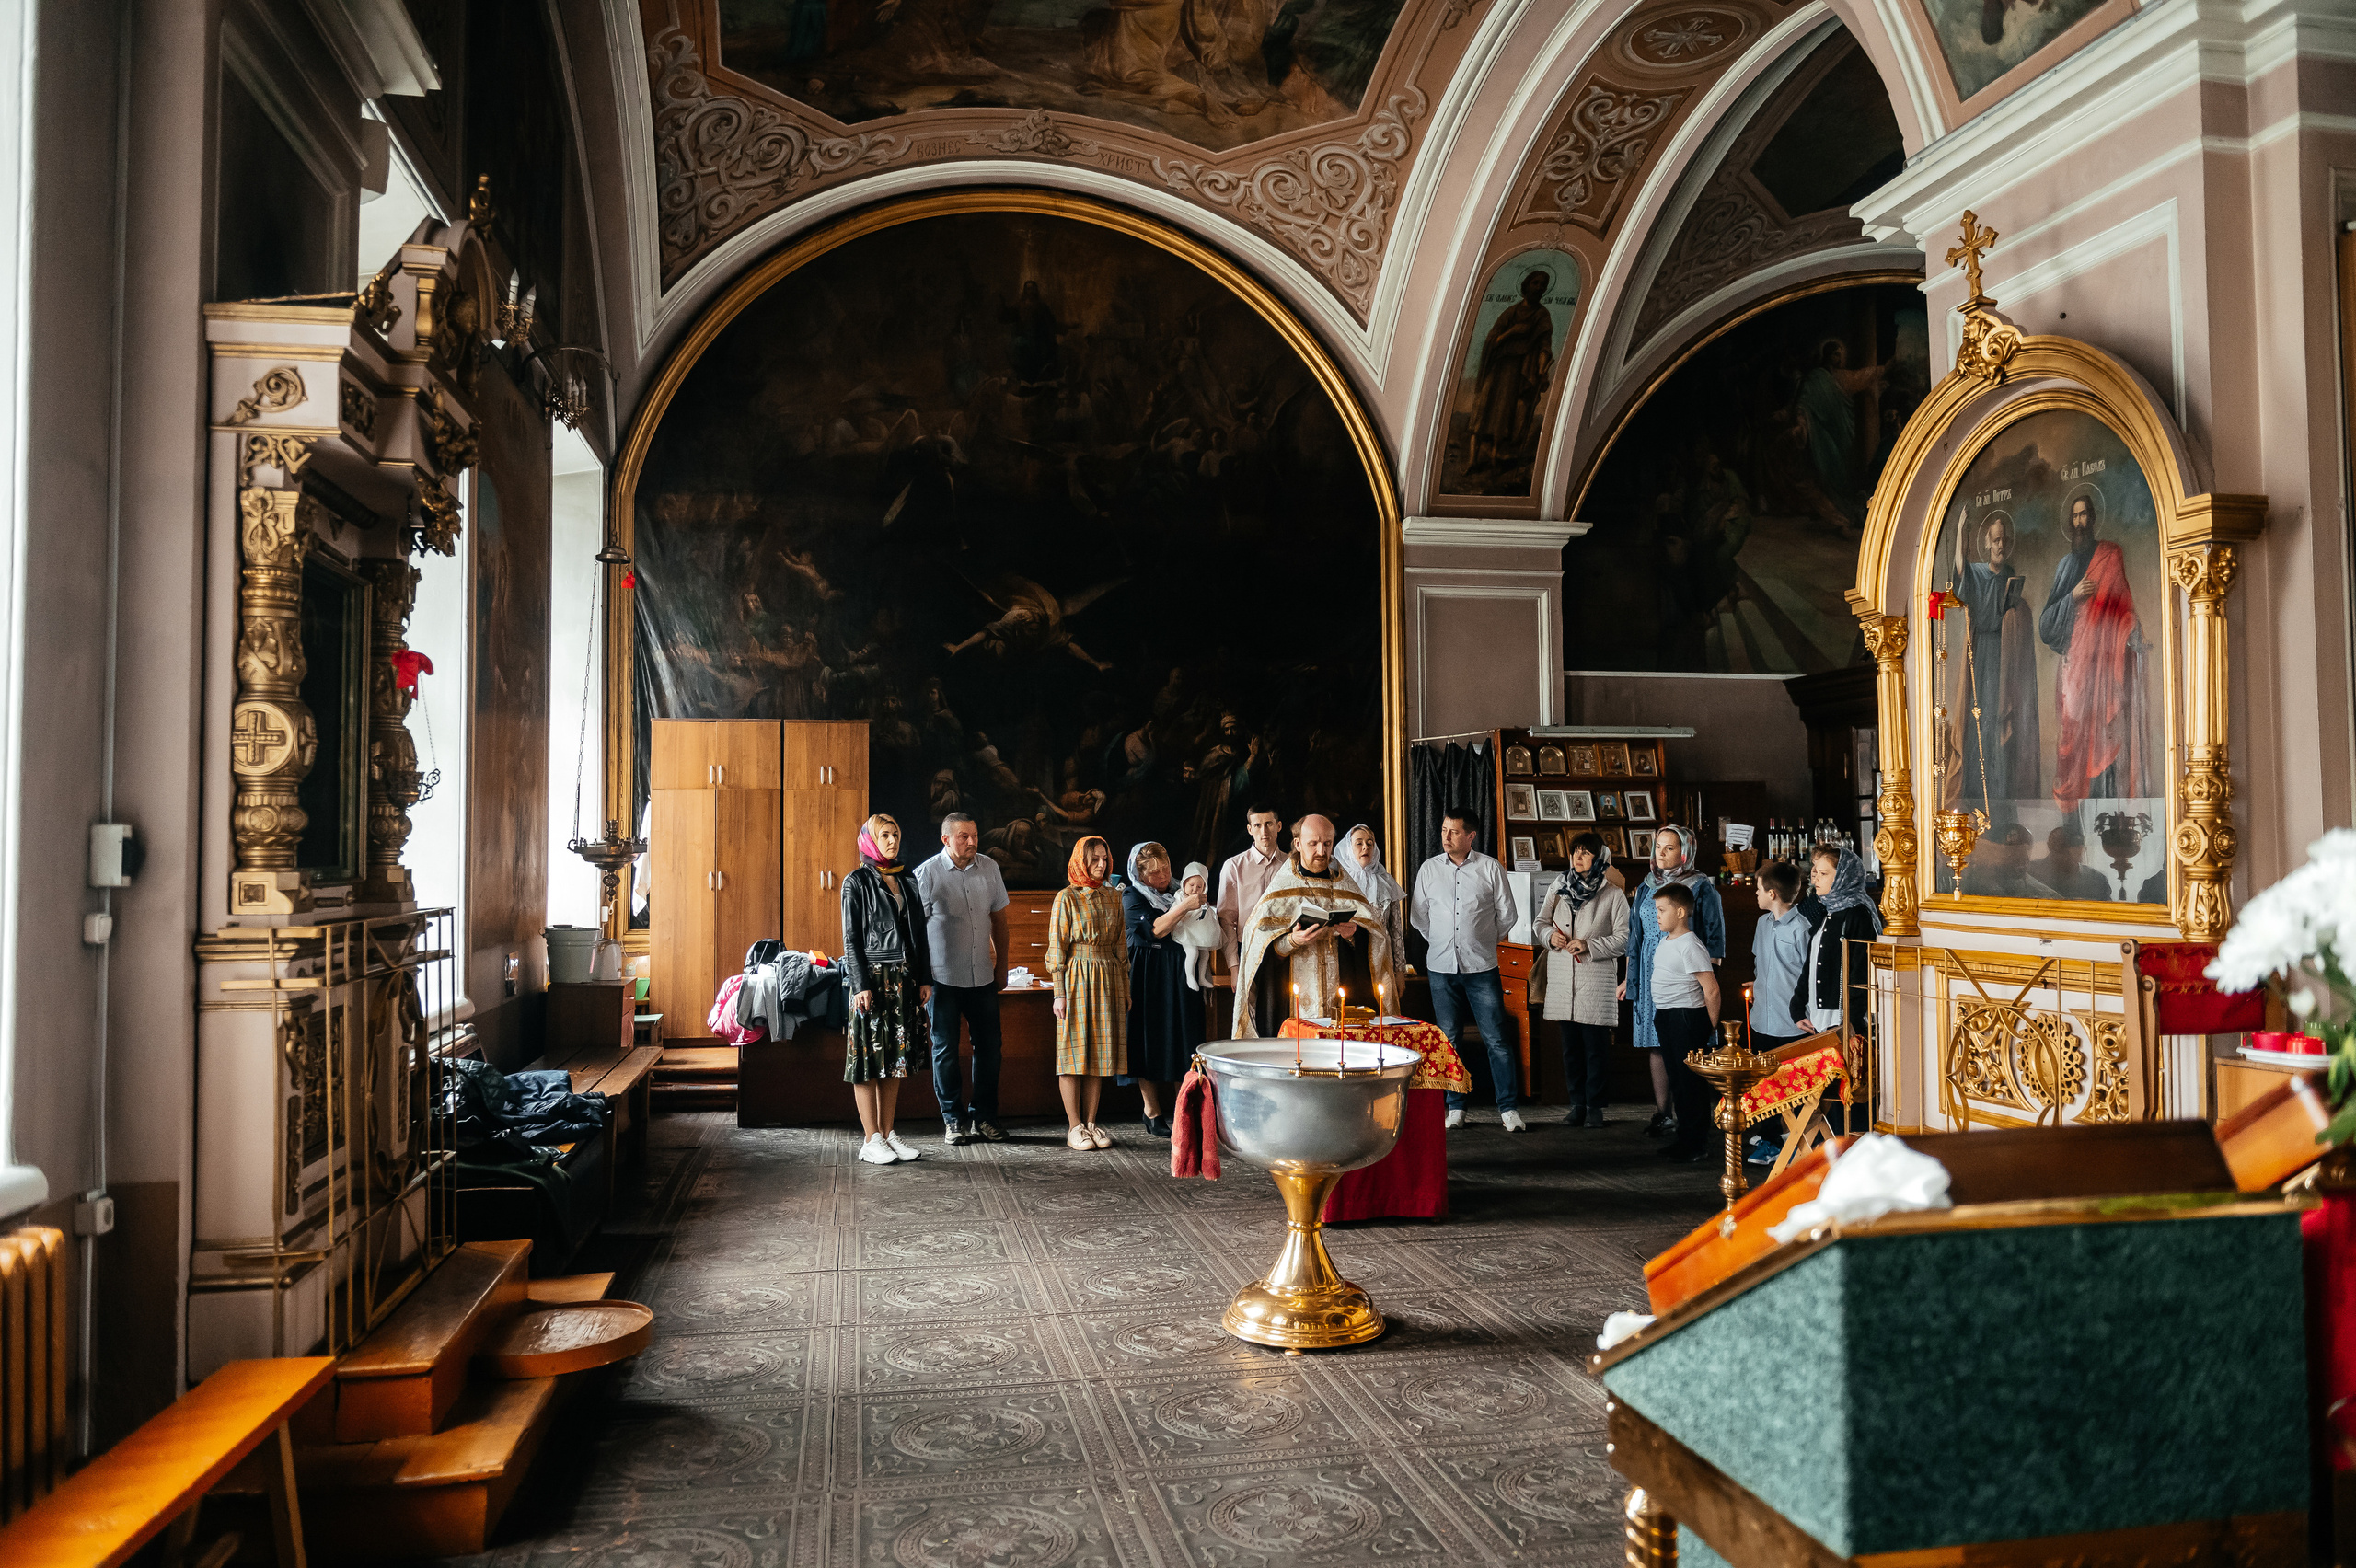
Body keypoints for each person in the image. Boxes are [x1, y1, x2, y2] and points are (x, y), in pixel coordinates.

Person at [1409, 806, 1524, 1132]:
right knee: (1450, 1040)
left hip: (1481, 967)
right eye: (1444, 830)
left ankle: (1508, 1109)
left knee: (1496, 1039)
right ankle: (1456, 1107)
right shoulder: (1429, 869)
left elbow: (1507, 915)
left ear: (1471, 836)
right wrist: (1444, 941)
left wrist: (1481, 941)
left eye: (1454, 831)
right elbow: (1420, 917)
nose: (1446, 836)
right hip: (1441, 968)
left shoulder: (1490, 868)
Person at [2038, 485, 2151, 809]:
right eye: (2074, 516)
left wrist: (2131, 630)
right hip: (2075, 667)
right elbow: (2046, 626)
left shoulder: (2110, 555)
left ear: (2094, 517)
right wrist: (2072, 596)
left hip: (2102, 665)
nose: (2079, 522)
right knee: (2073, 740)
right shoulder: (2065, 567)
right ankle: (2073, 820)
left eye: (2084, 514)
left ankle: (2105, 811)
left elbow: (2122, 608)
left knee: (2102, 735)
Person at [1233, 813, 1390, 1034]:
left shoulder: (1347, 888)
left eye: (1327, 843)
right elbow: (1259, 953)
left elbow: (1374, 940)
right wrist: (1291, 941)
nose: (1321, 851)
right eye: (1313, 843)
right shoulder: (1279, 892)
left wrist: (1354, 935)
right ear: (1298, 844)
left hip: (1341, 1008)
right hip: (1292, 1009)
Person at [840, 813, 934, 1167]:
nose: (892, 841)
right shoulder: (856, 882)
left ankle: (888, 1133)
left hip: (903, 980)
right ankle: (870, 1139)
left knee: (894, 1059)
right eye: (885, 835)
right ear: (870, 840)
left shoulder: (907, 879)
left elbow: (919, 935)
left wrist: (924, 978)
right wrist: (860, 984)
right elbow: (851, 939)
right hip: (873, 981)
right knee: (868, 1060)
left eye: (896, 834)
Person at [913, 811, 1010, 1148]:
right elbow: (914, 933)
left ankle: (984, 1116)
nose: (971, 842)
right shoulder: (926, 874)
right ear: (946, 839)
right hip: (942, 979)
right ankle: (953, 1119)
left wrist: (1002, 968)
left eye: (974, 835)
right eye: (963, 837)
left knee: (990, 1049)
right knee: (945, 1049)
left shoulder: (990, 868)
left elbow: (999, 921)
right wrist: (922, 978)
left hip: (982, 976)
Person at [1623, 824, 1725, 1138]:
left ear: (1685, 851)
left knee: (1686, 1047)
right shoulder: (1644, 887)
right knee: (1655, 1043)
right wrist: (1631, 979)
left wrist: (1709, 976)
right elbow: (1635, 937)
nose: (1662, 854)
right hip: (1650, 969)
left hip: (1685, 970)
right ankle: (1662, 1113)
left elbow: (1714, 936)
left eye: (1669, 848)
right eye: (1658, 847)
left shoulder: (1700, 885)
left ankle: (1691, 1121)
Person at [1943, 510, 2041, 805]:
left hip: (2005, 656)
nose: (2000, 545)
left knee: (2002, 722)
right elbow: (1960, 568)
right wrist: (1961, 529)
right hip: (1982, 656)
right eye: (1995, 540)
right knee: (1980, 722)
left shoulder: (2011, 573)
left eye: (2004, 540)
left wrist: (2016, 611)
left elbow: (2017, 611)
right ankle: (1976, 794)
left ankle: (2001, 795)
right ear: (1987, 543)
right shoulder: (1977, 572)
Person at [1535, 831, 1628, 1128]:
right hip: (1564, 979)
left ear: (1599, 858)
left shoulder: (1612, 894)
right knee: (1570, 1048)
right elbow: (1539, 923)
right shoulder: (1559, 887)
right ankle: (1577, 1105)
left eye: (1586, 852)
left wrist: (1590, 945)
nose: (1578, 856)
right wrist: (1550, 936)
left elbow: (1625, 938)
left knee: (1596, 1049)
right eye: (1575, 851)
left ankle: (1596, 1107)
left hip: (1595, 979)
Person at [1048, 836, 1128, 1151]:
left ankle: (1092, 1123)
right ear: (1081, 860)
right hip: (1077, 976)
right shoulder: (1066, 898)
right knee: (1073, 1053)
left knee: (1099, 1053)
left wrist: (1125, 988)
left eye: (1105, 859)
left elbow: (1121, 947)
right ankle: (1074, 1126)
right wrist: (1059, 993)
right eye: (1094, 859)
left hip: (1108, 974)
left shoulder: (1113, 896)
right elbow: (1057, 949)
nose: (1100, 865)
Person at [1123, 841, 1207, 1138]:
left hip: (1181, 970)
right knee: (1149, 1038)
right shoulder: (1132, 896)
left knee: (1185, 1037)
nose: (1162, 876)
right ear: (1141, 875)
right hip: (1148, 973)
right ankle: (1151, 1110)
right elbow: (1156, 929)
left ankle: (1183, 1109)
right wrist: (1184, 906)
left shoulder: (1179, 889)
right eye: (1155, 873)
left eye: (1166, 869)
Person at [1800, 844, 1882, 1134]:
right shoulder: (1828, 910)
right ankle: (1829, 1149)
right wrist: (1799, 1005)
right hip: (1822, 1016)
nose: (1816, 879)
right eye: (1814, 872)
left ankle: (1849, 1149)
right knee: (1828, 1092)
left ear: (1844, 876)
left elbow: (1860, 971)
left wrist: (1852, 1018)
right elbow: (1812, 963)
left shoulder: (1857, 914)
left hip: (1846, 1017)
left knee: (1850, 1089)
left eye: (1824, 873)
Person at [1743, 859, 1815, 1165]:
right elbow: (1763, 964)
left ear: (1772, 893)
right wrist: (1760, 983)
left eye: (1758, 889)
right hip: (1762, 1017)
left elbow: (1808, 976)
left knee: (1791, 1084)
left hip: (1791, 1022)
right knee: (1763, 1082)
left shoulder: (1803, 928)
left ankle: (1788, 1141)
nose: (1755, 894)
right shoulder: (1762, 924)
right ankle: (1770, 1136)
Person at [1649, 882, 1723, 1162]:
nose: (1657, 915)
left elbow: (1711, 988)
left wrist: (1708, 1026)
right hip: (1667, 1015)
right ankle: (1684, 1138)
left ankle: (1696, 1143)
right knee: (1677, 1080)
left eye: (1661, 910)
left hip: (1686, 1017)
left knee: (1689, 1083)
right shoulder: (1665, 940)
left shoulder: (1690, 944)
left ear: (1680, 912)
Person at [1465, 269, 1555, 475]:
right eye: (1536, 283)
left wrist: (1541, 370)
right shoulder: (1511, 312)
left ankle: (1496, 456)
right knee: (1484, 408)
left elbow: (1544, 346)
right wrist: (1512, 332)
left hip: (1519, 372)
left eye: (1543, 284)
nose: (1540, 287)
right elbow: (1493, 340)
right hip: (1499, 367)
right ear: (1526, 285)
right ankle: (1473, 458)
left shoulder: (1542, 315)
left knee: (1504, 414)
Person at [1215, 804, 1288, 1009]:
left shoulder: (1292, 865)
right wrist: (1233, 967)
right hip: (1247, 950)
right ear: (1250, 829)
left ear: (1279, 826)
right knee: (1250, 1016)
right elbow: (1226, 920)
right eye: (1257, 825)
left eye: (1269, 824)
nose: (1264, 831)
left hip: (1285, 950)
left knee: (1285, 1014)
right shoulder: (1234, 866)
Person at [1337, 823, 1410, 1009]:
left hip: (1382, 961)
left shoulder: (1386, 881)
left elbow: (1396, 931)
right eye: (1359, 843)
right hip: (1348, 962)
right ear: (1348, 849)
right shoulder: (1339, 882)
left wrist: (1400, 971)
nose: (1365, 848)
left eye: (1370, 843)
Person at [1171, 861, 1225, 991]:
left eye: (1199, 886)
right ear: (1184, 883)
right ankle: (1190, 977)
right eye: (1191, 885)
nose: (1195, 889)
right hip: (1186, 931)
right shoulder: (1180, 897)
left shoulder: (1202, 899)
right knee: (1192, 952)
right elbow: (1174, 912)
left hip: (1199, 931)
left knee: (1205, 954)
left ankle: (1201, 977)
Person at [2037, 823, 2117, 902]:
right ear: (2050, 847)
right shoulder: (2032, 874)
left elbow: (2107, 911)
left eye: (2078, 850)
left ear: (2083, 850)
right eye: (2062, 851)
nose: (2068, 857)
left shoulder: (2097, 880)